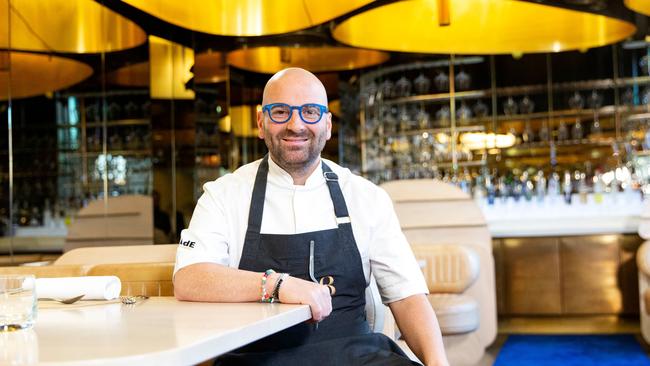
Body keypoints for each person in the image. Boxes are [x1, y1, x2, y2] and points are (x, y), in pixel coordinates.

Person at [173, 68, 449, 366]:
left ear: (327, 125)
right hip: (257, 360)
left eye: (310, 111)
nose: (296, 124)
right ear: (261, 123)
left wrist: (439, 364)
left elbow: (407, 297)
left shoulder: (366, 197)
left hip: (356, 356)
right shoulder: (223, 195)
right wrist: (278, 285)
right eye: (280, 112)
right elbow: (189, 279)